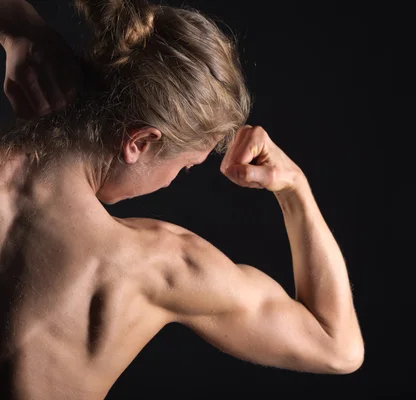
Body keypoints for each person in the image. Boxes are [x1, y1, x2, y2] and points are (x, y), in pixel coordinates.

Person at [0, 0, 364, 398]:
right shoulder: (153, 267)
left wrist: (20, 26)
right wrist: (296, 188)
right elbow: (337, 346)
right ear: (139, 142)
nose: (173, 181)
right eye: (185, 166)